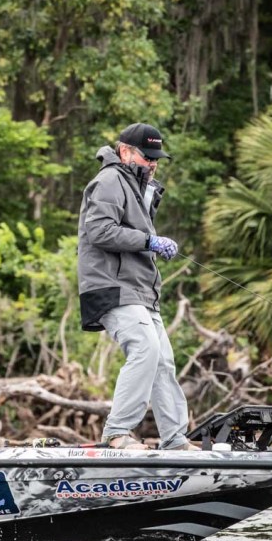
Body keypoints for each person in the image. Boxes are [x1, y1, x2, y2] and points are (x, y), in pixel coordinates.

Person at [77, 123, 198, 451]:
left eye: (157, 158)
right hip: (111, 286)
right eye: (148, 157)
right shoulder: (110, 180)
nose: (153, 163)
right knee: (144, 348)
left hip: (140, 291)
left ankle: (175, 440)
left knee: (163, 360)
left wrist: (150, 243)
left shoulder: (137, 186)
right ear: (125, 151)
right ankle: (117, 433)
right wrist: (149, 241)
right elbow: (99, 231)